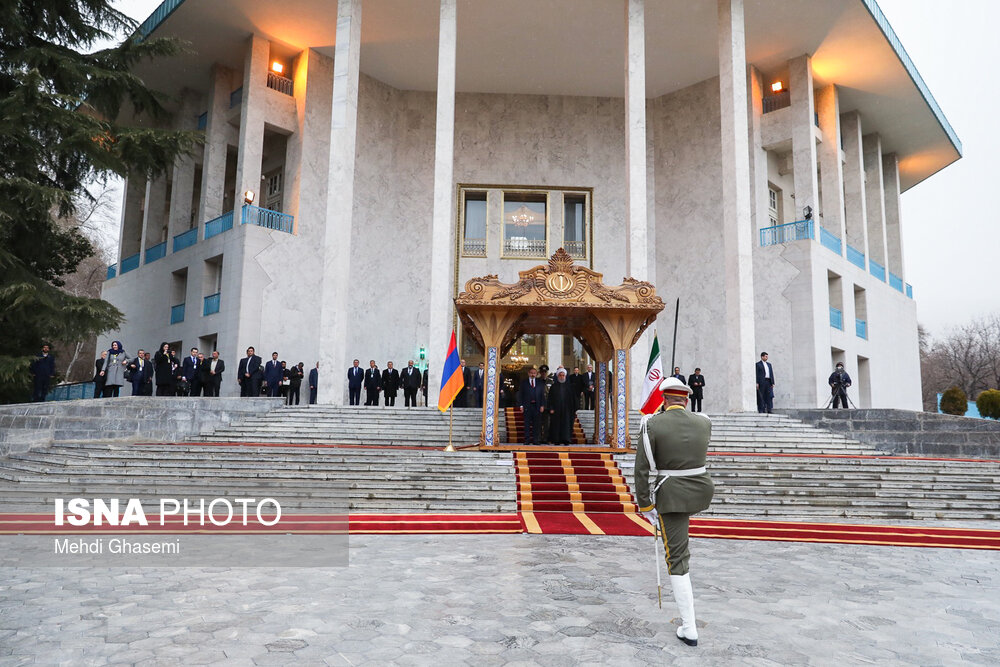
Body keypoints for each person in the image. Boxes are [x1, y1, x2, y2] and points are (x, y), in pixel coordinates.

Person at [635, 377, 714, 648]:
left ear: (664, 400)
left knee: (677, 558)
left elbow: (642, 470)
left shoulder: (651, 425)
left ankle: (690, 627)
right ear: (687, 399)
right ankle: (688, 622)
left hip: (673, 495)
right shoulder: (704, 422)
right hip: (701, 490)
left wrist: (645, 506)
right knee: (681, 552)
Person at [546, 368, 576, 445]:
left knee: (566, 424)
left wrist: (574, 409)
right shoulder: (553, 387)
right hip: (556, 410)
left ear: (565, 376)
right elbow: (550, 398)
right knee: (556, 425)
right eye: (560, 375)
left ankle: (566, 439)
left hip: (567, 410)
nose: (562, 377)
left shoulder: (570, 387)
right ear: (558, 376)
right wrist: (551, 408)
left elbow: (574, 399)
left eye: (563, 375)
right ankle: (556, 439)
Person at [518, 367, 546, 445]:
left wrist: (542, 405)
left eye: (534, 373)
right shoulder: (524, 382)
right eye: (531, 373)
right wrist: (521, 405)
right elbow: (520, 394)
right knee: (527, 424)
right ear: (528, 373)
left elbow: (542, 395)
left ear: (536, 374)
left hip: (537, 406)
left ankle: (536, 440)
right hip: (527, 406)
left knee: (536, 424)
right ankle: (527, 440)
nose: (533, 374)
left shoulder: (540, 382)